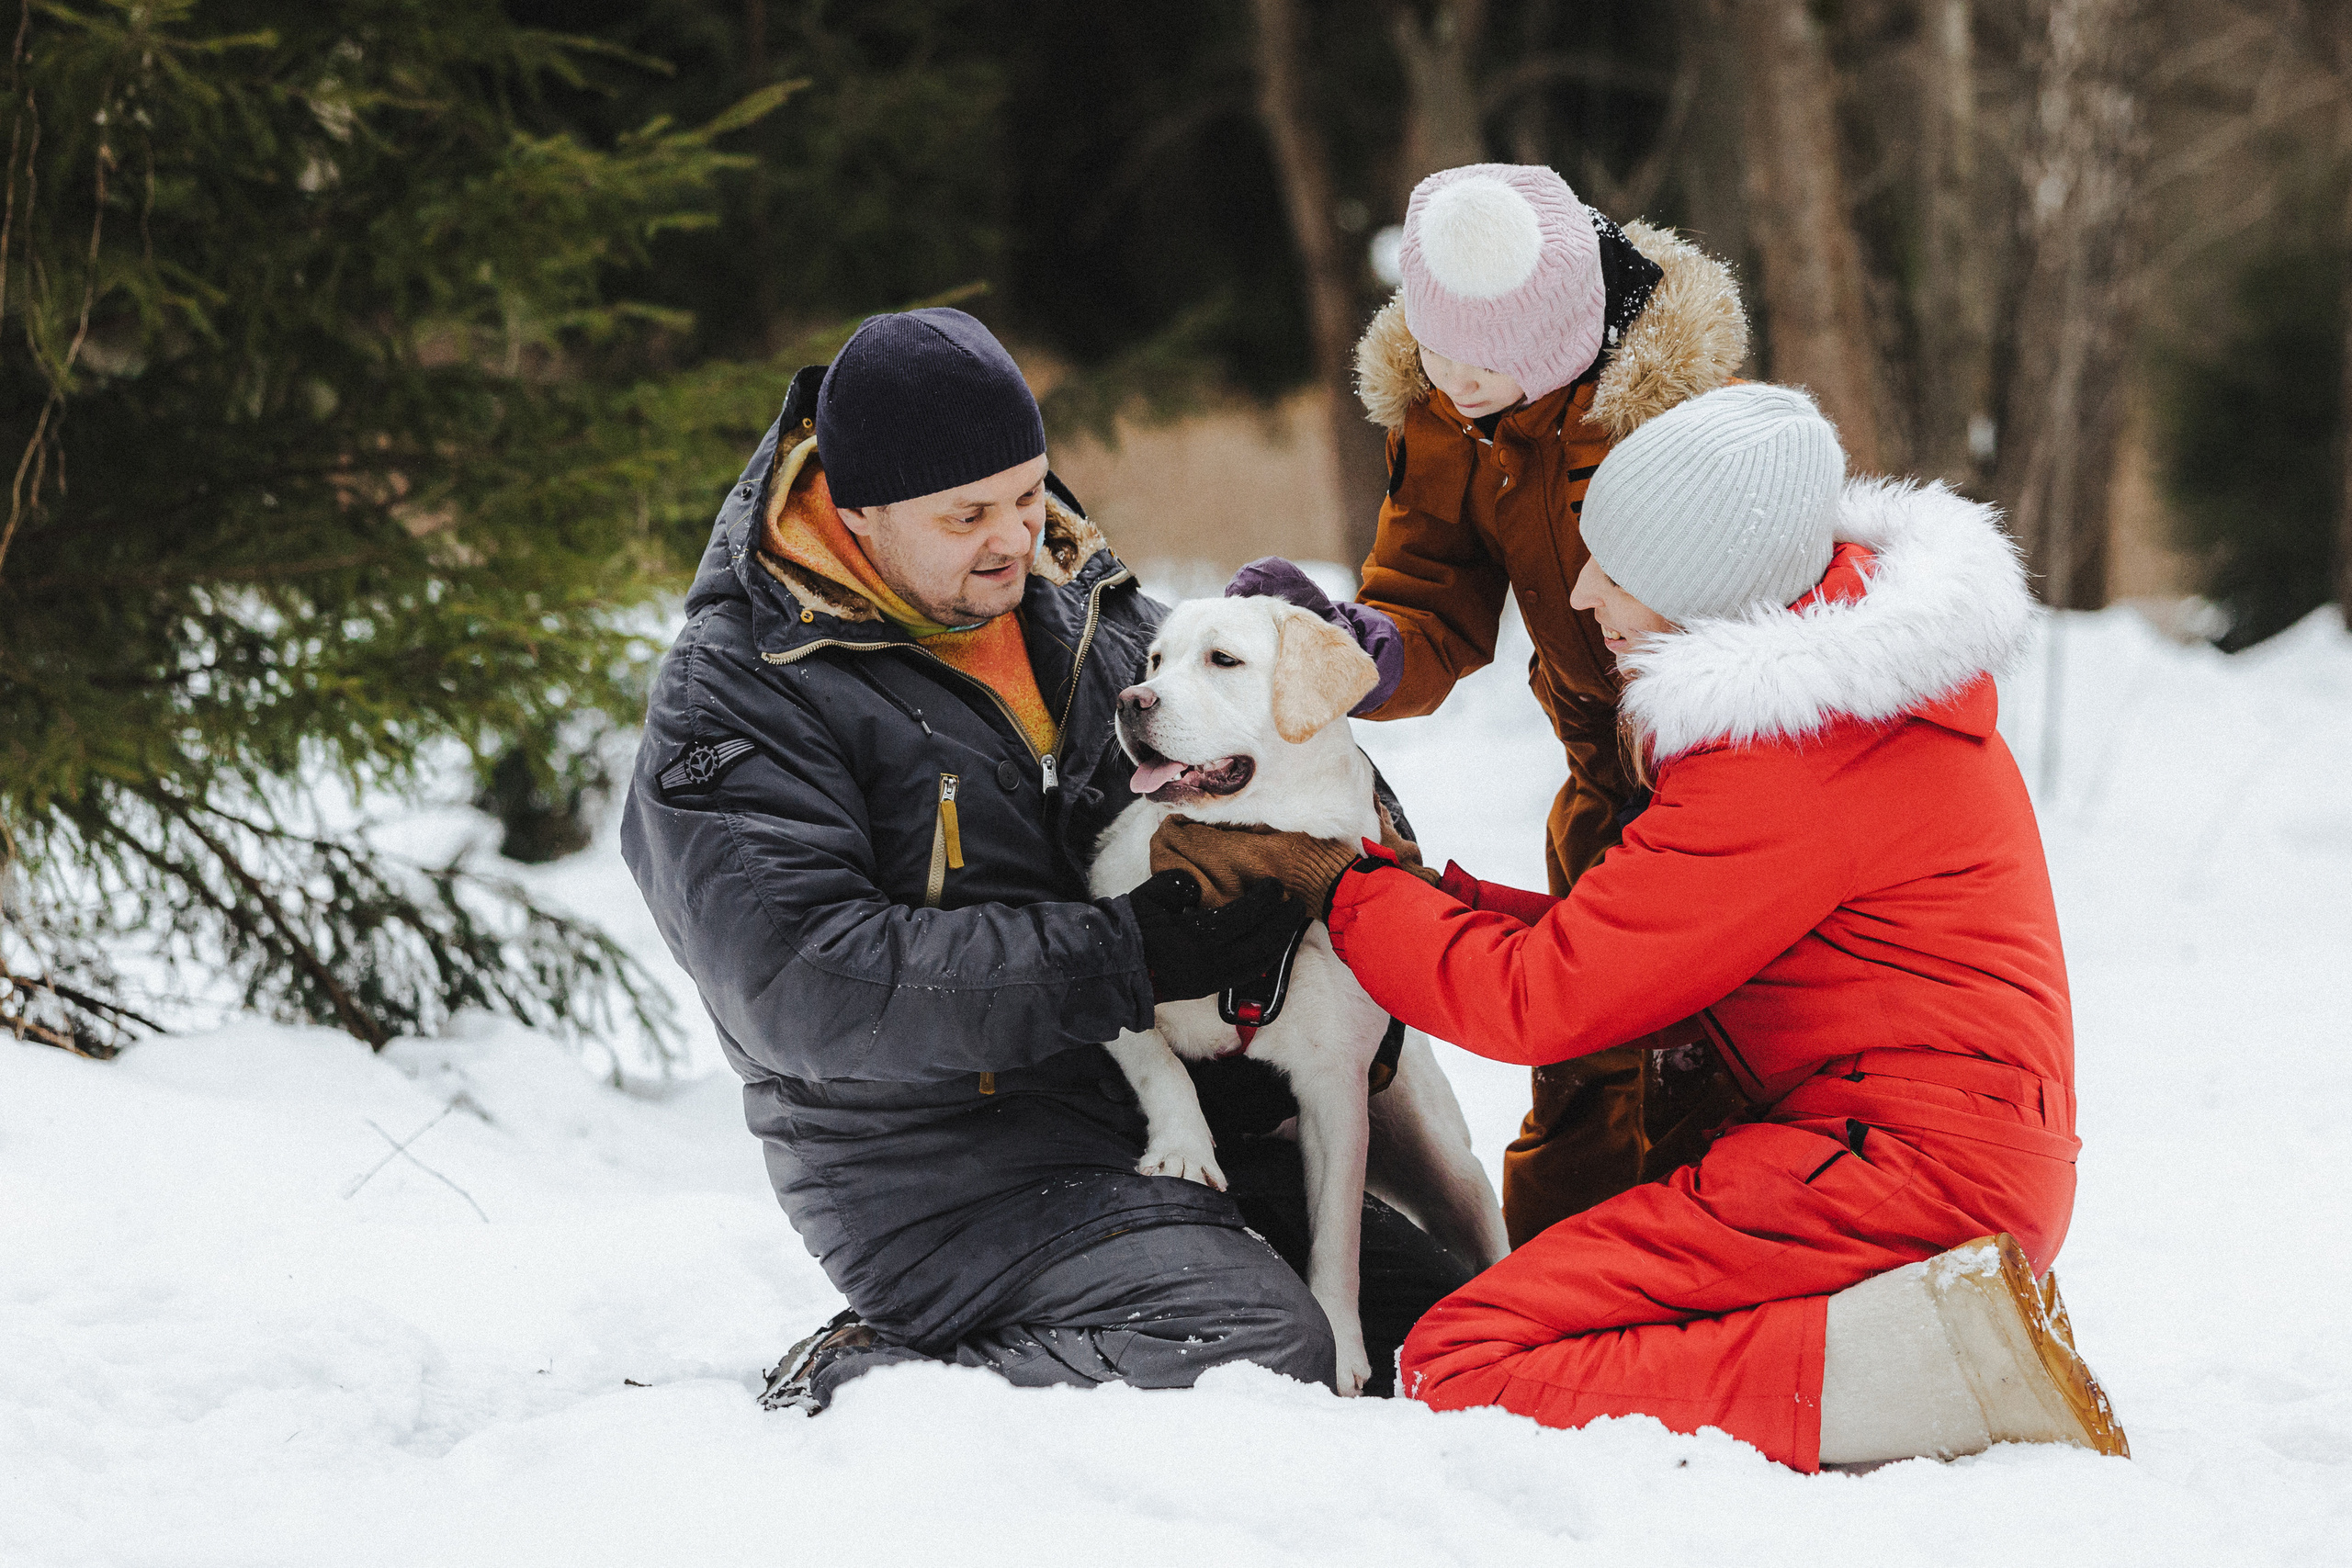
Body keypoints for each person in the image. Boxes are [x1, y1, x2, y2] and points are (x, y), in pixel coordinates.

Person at [1158, 383, 2130, 1470]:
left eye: (1613, 571)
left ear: (1702, 584)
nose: (1578, 591)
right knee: (1556, 1318)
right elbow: (1628, 933)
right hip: (1913, 1146)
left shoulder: (1790, 761)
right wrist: (1413, 890)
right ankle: (1899, 1345)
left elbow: (1542, 999)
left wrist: (1335, 884)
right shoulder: (1843, 699)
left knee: (1463, 1356)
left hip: (1903, 1173)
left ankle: (1924, 1374)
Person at [619, 308, 1470, 1412]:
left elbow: (1284, 750)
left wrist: (1334, 879)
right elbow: (801, 979)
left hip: (1175, 1117)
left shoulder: (1087, 611)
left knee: (1447, 1335)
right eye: (966, 514)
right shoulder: (741, 692)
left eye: (1028, 495)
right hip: (944, 1168)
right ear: (857, 510)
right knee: (1261, 1349)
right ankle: (877, 1378)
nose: (1014, 540)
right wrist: (1121, 953)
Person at [1229, 163, 1753, 1248]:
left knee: (1721, 1065)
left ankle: (1739, 1284)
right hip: (1603, 795)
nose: (1456, 381)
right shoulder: (1447, 420)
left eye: (1486, 362)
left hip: (1728, 788)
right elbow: (1428, 603)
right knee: (1586, 1084)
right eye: (1436, 352)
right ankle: (1555, 1300)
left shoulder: (1671, 422)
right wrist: (1359, 650)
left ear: (1562, 340)